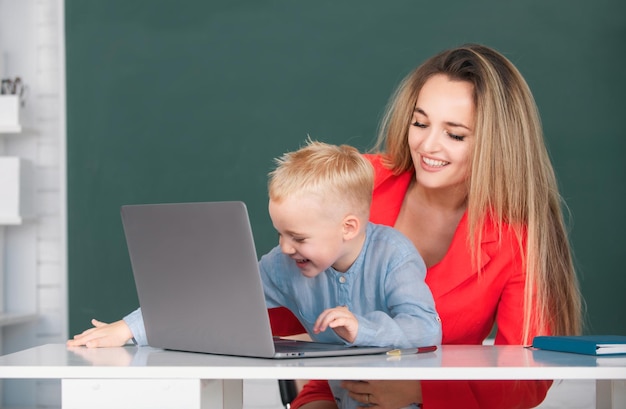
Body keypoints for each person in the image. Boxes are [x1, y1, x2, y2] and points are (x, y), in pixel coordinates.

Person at [271, 43, 583, 409]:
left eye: (455, 134)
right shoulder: (360, 182)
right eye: (420, 123)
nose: (427, 145)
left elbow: (526, 379)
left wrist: (422, 391)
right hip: (336, 390)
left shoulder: (518, 238)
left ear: (497, 145)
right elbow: (285, 301)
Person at [68, 140, 442, 409]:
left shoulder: (394, 254)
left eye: (298, 237)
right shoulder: (285, 264)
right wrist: (129, 329)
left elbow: (426, 328)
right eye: (280, 233)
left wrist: (364, 328)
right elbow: (215, 299)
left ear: (348, 227)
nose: (284, 247)